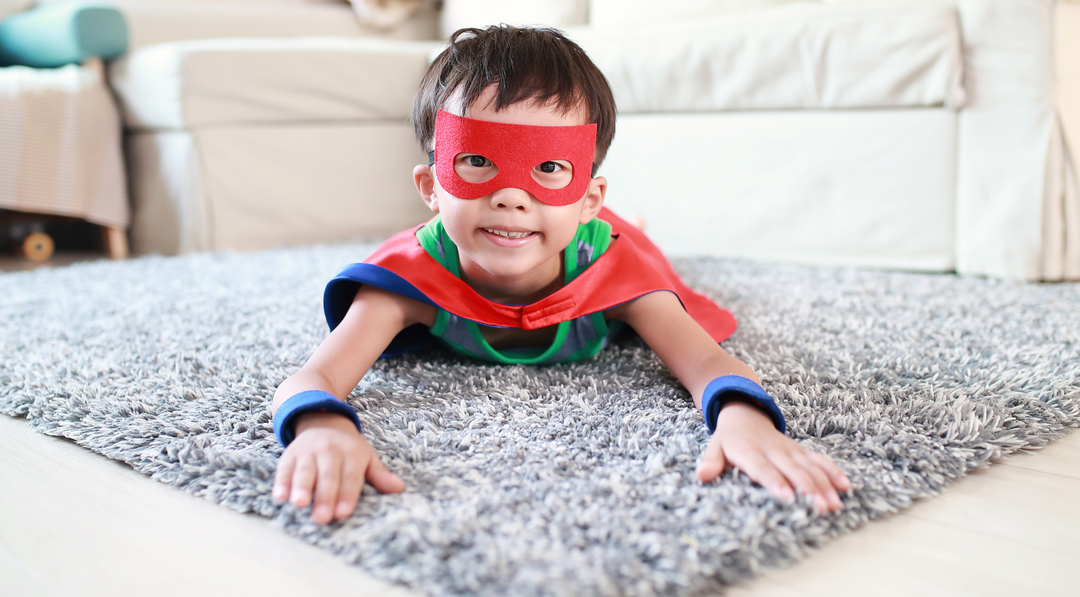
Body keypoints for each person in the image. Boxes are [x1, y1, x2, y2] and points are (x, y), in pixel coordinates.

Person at [270, 26, 850, 525]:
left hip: (603, 243)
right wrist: (321, 425)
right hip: (555, 230)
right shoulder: (405, 283)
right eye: (476, 162)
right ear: (429, 188)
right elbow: (311, 376)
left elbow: (705, 362)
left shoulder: (617, 270)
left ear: (590, 196)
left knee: (643, 247)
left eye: (549, 168)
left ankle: (625, 220)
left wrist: (745, 420)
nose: (511, 198)